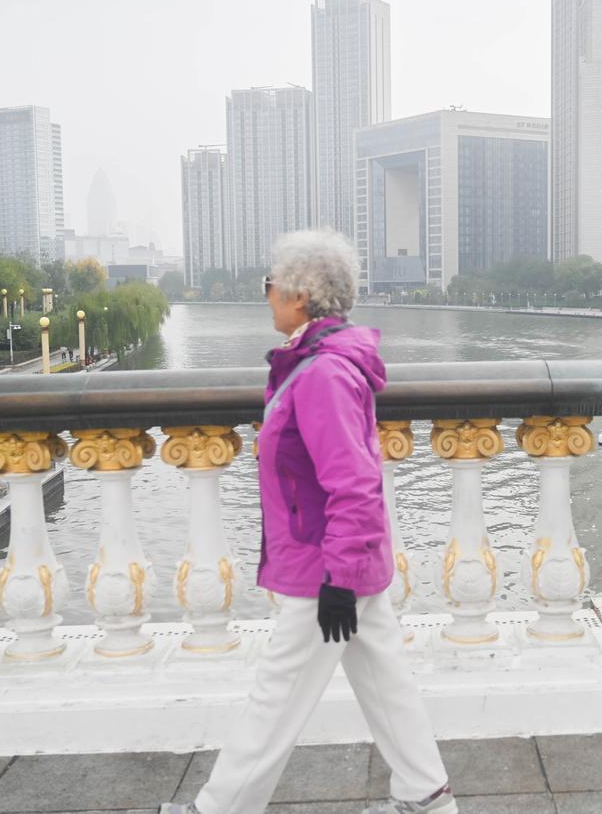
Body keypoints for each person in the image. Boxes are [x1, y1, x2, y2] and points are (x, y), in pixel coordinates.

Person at [162, 229, 456, 814]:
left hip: (326, 564)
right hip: (344, 559)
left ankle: (217, 810)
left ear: (299, 295)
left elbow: (353, 483)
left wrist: (339, 581)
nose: (265, 293)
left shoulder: (321, 373)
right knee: (385, 684)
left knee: (277, 693)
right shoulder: (319, 363)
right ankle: (427, 799)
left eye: (270, 284)